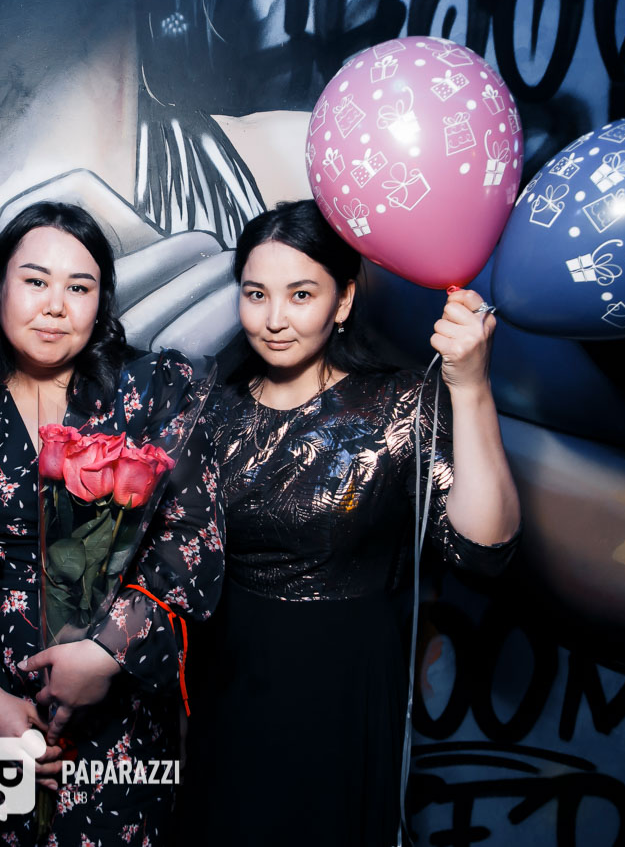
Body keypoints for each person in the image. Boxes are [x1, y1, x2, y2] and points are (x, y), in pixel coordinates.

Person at [181, 200, 521, 846]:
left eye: (300, 294)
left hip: (343, 686)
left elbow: (483, 549)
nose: (274, 319)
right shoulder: (210, 410)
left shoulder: (398, 403)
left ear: (342, 301)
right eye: (255, 294)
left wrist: (472, 387)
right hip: (227, 680)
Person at [0, 201, 224, 845]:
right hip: (0, 713)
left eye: (79, 287)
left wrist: (106, 653)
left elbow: (192, 540)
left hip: (119, 711)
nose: (55, 306)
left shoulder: (156, 390)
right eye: (35, 281)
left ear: (101, 303)